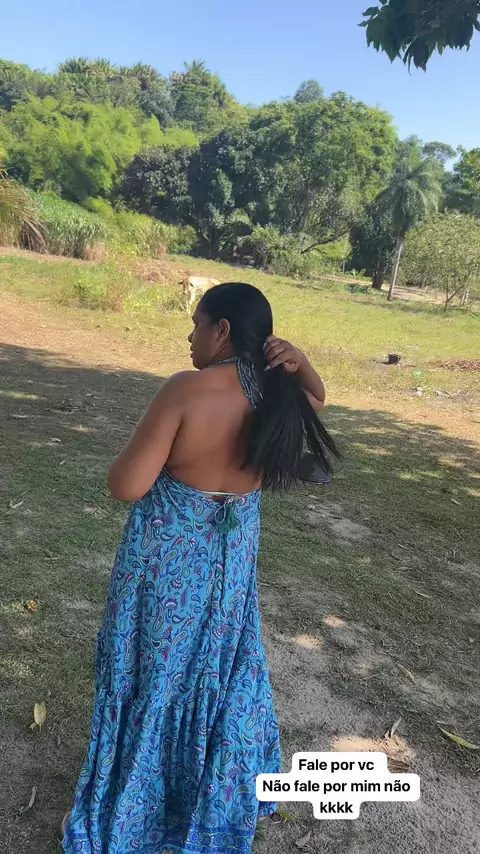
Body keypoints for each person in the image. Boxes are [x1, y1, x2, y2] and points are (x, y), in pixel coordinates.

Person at [62, 282, 339, 854]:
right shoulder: (276, 396)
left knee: (155, 676)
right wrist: (302, 362)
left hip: (168, 570)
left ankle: (141, 803)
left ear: (223, 331)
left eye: (197, 324)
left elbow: (127, 485)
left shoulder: (186, 391)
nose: (190, 336)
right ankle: (205, 796)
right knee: (214, 671)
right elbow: (318, 398)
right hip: (229, 570)